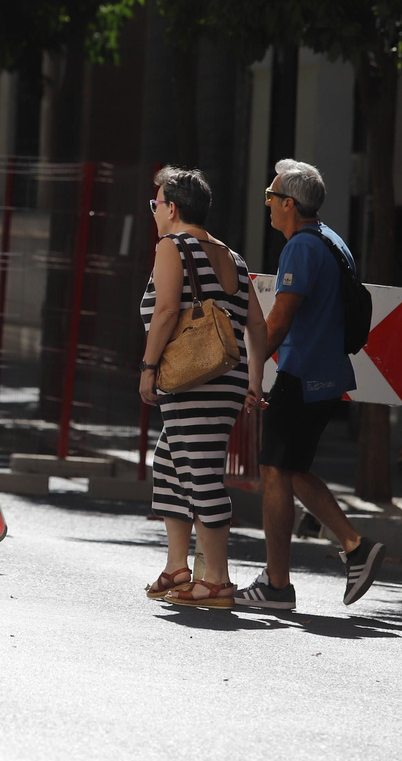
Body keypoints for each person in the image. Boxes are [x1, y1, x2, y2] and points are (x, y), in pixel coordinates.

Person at [234, 159, 387, 611]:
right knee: (292, 468)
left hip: (302, 375)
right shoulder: (331, 239)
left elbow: (278, 321)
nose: (266, 203)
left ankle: (278, 585)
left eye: (270, 195)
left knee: (276, 470)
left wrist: (252, 374)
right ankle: (355, 547)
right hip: (325, 374)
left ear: (289, 204)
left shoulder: (301, 247)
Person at [138, 167, 268, 610]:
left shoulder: (172, 247)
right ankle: (178, 567)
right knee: (169, 462)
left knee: (201, 474)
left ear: (172, 208)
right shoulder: (232, 256)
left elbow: (167, 311)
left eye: (156, 204)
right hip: (226, 378)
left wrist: (147, 366)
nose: (154, 212)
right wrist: (253, 382)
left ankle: (216, 579)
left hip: (193, 380)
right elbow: (257, 326)